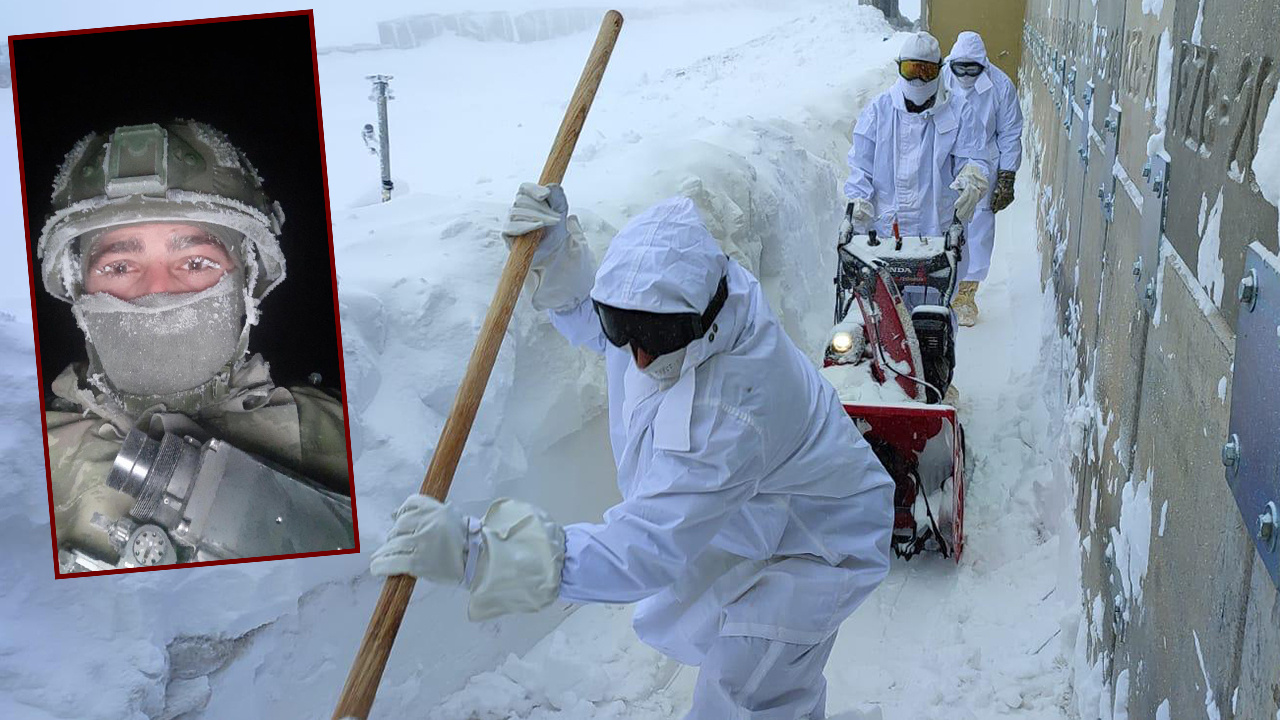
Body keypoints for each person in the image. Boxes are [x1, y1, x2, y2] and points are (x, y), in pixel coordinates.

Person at [372, 187, 895, 719]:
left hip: (818, 545)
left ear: (704, 320)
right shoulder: (678, 320)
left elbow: (642, 550)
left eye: (655, 338)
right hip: (761, 519)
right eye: (626, 330)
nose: (638, 358)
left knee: (747, 691)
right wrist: (557, 257)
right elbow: (606, 327)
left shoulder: (736, 409)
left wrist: (480, 553)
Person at [37, 120, 353, 570]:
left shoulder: (345, 438)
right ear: (77, 291)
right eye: (121, 267)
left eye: (196, 262)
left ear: (247, 283)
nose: (158, 292)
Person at [843, 31, 991, 312]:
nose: (918, 79)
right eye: (912, 70)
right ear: (900, 67)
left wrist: (972, 178)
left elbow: (974, 156)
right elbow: (860, 165)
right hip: (887, 238)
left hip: (937, 237)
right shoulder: (879, 111)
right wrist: (858, 201)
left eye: (927, 71)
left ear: (939, 71)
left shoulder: (960, 111)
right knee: (885, 321)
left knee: (935, 323)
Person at [943, 31, 1024, 326]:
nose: (965, 74)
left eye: (971, 68)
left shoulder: (1000, 86)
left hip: (984, 162)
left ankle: (966, 293)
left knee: (978, 227)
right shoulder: (941, 78)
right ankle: (943, 285)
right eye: (959, 67)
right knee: (942, 220)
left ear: (983, 65)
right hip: (945, 159)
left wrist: (1007, 174)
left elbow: (1011, 132)